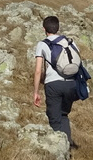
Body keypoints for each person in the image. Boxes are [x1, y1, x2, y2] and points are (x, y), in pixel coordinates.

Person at [32, 15, 80, 150]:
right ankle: (68, 146)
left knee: (54, 119)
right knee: (64, 115)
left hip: (53, 84)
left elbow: (37, 71)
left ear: (44, 29)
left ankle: (59, 152)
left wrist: (36, 92)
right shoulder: (70, 42)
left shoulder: (42, 44)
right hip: (71, 84)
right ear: (58, 28)